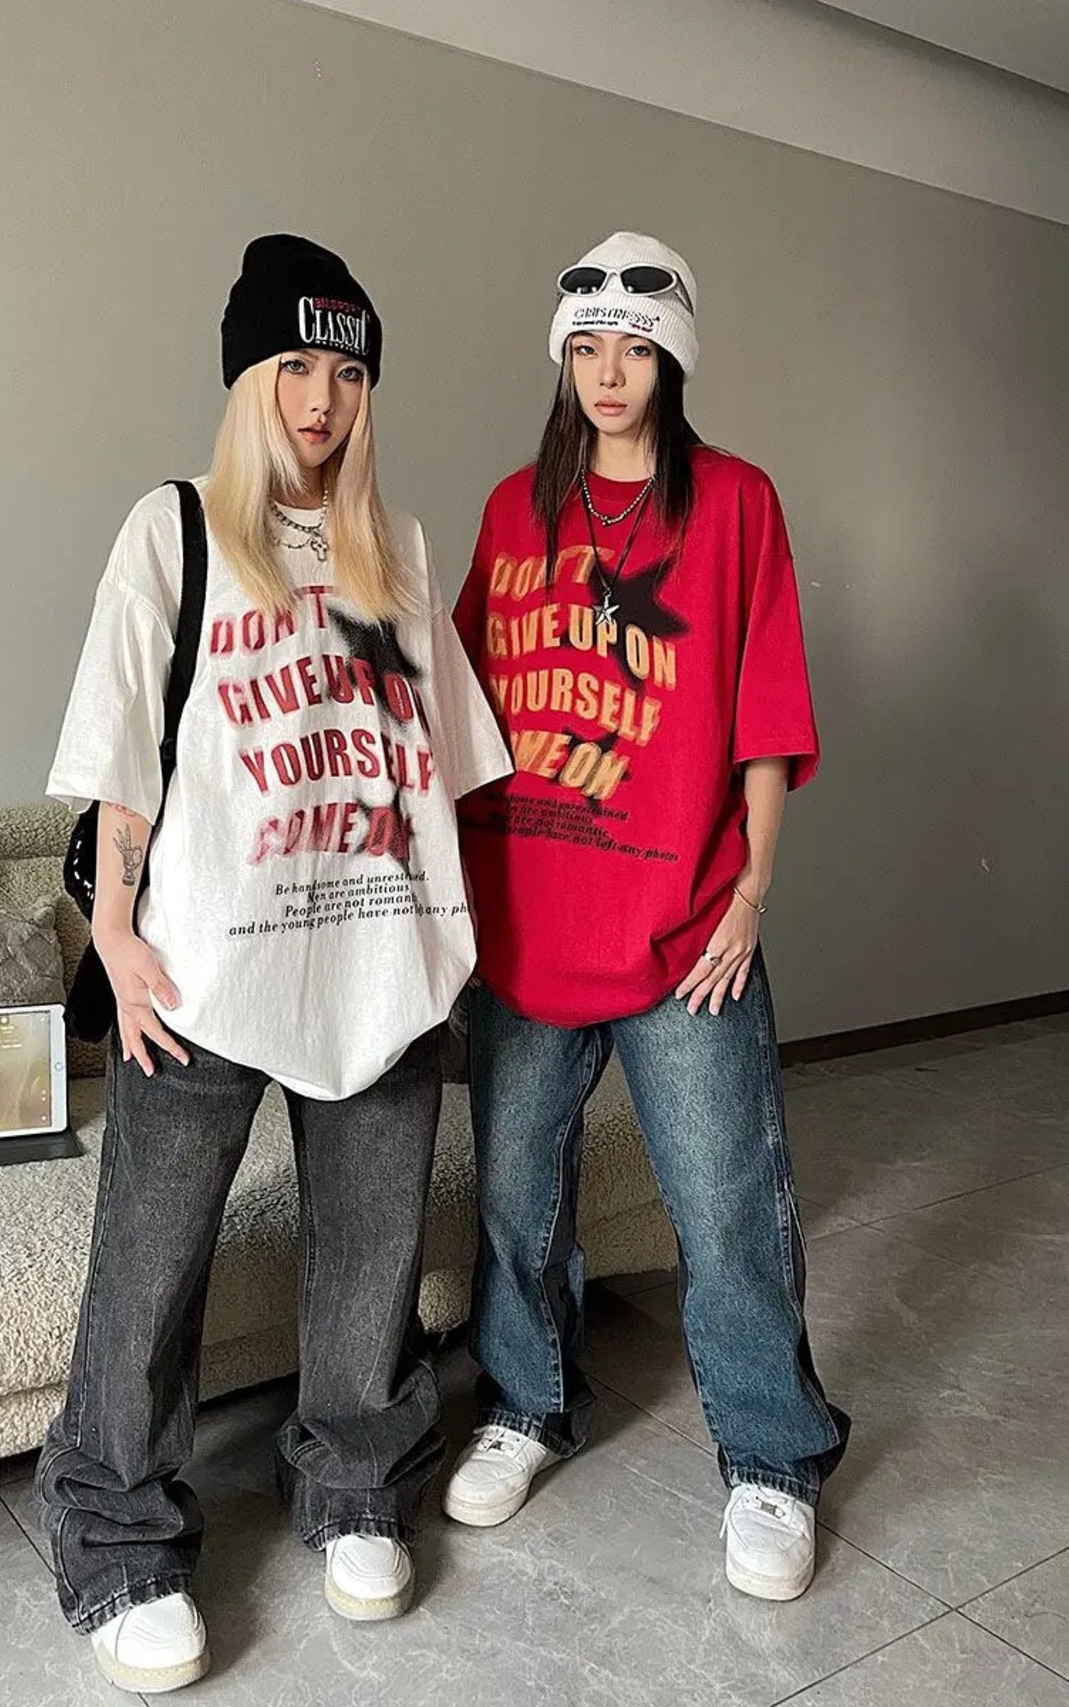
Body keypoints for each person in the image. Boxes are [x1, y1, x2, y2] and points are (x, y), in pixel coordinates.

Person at [36, 234, 511, 1694]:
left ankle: (359, 1485)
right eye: (295, 366)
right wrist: (117, 936)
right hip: (201, 972)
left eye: (349, 373)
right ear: (248, 378)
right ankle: (119, 1540)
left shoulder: (399, 549)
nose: (322, 399)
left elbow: (444, 765)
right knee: (149, 1271)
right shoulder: (174, 529)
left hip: (375, 959)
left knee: (373, 1254)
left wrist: (449, 943)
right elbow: (125, 754)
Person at [443, 232, 850, 1601]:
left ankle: (773, 1460)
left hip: (686, 940)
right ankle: (526, 1405)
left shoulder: (736, 503)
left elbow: (766, 717)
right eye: (585, 348)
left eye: (634, 347)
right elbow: (460, 713)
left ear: (672, 360)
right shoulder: (513, 512)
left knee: (729, 1210)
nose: (609, 372)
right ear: (562, 361)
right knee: (514, 1199)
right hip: (526, 927)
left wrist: (751, 892)